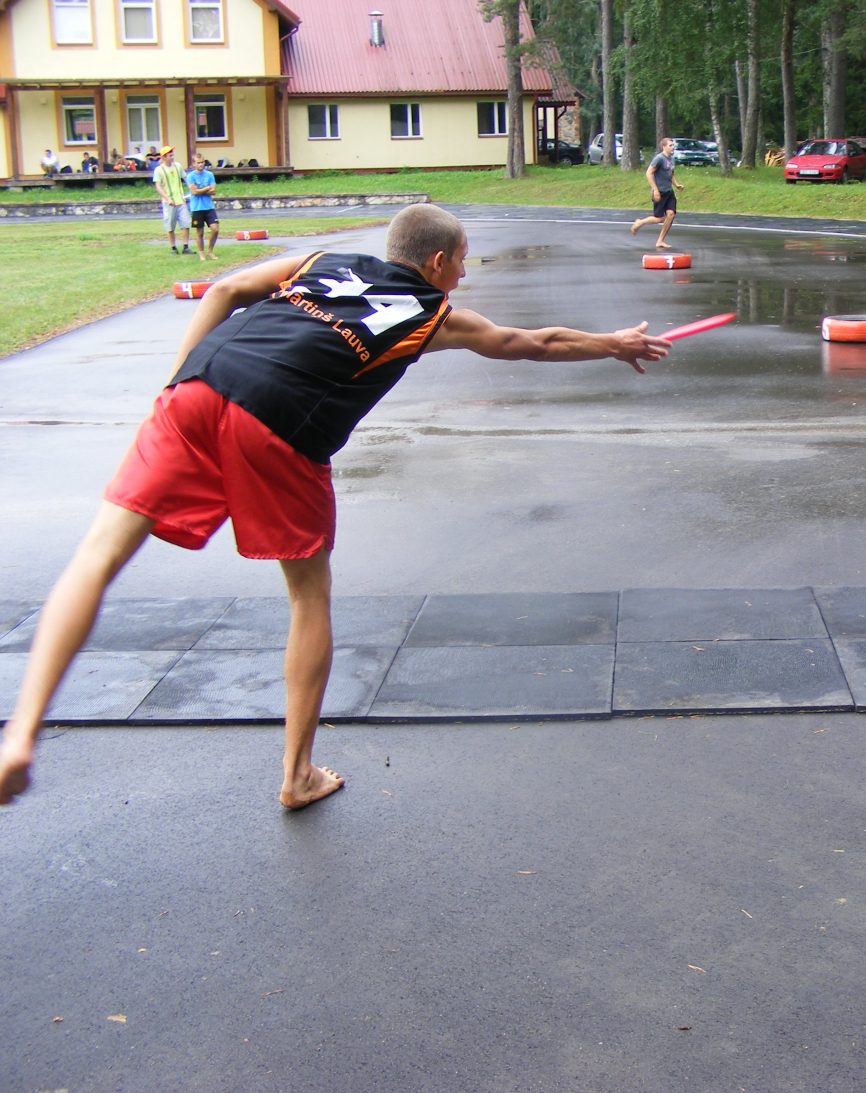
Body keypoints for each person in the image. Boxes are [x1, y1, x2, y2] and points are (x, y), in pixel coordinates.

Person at [0, 203, 671, 811]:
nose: (464, 276)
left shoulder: (322, 262)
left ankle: (21, 732)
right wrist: (612, 344)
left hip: (200, 385)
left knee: (97, 556)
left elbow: (227, 291)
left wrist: (179, 380)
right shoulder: (432, 313)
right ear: (437, 262)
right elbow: (532, 343)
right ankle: (297, 775)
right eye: (463, 263)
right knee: (308, 596)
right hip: (281, 422)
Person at [629, 137, 682, 250]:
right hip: (659, 192)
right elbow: (649, 173)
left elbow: (671, 174)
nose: (673, 147)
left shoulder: (671, 159)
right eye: (670, 145)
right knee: (659, 219)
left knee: (671, 215)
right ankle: (640, 222)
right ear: (664, 147)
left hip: (669, 192)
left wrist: (677, 185)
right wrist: (655, 190)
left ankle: (660, 241)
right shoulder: (659, 159)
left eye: (673, 145)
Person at [152, 146, 191, 254]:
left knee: (186, 223)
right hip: (169, 202)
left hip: (181, 200)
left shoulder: (178, 166)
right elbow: (158, 186)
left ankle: (185, 247)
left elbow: (186, 178)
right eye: (170, 155)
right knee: (170, 226)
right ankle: (173, 248)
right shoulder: (159, 170)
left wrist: (191, 189)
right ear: (164, 157)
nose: (172, 157)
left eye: (172, 155)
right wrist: (167, 198)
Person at [185, 154, 221, 260]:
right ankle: (201, 253)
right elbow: (194, 192)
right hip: (197, 208)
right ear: (194, 164)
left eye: (202, 162)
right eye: (198, 163)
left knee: (215, 229)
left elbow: (213, 191)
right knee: (199, 232)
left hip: (209, 207)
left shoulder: (209, 175)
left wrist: (200, 190)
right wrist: (206, 188)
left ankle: (210, 251)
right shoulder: (191, 176)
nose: (201, 164)